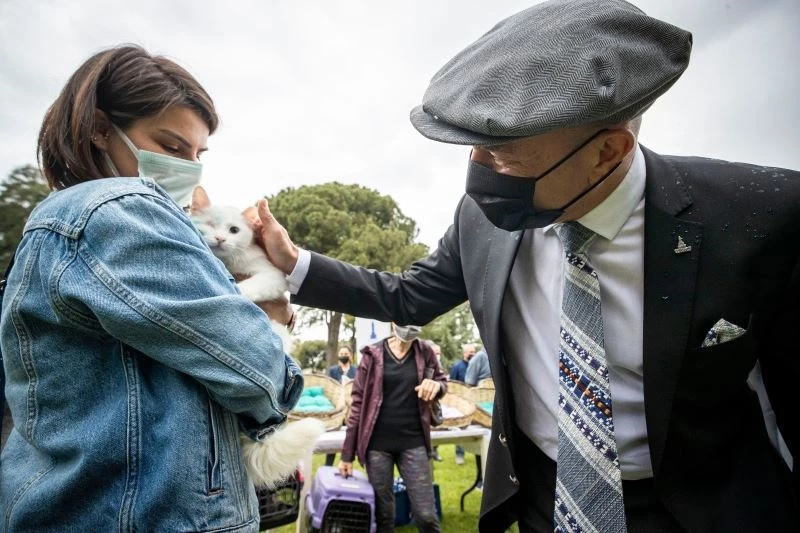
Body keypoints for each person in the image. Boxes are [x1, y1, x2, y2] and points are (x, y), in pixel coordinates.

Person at [256, 1, 799, 531]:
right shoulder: (482, 219)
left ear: (609, 150)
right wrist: (292, 263)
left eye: (503, 153)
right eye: (473, 148)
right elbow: (407, 297)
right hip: (545, 502)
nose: (478, 173)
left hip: (700, 508)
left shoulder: (763, 216)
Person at [0, 45, 302, 532]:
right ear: (100, 129)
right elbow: (259, 372)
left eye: (198, 153)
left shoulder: (55, 223)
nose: (188, 167)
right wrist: (277, 326)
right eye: (171, 146)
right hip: (147, 513)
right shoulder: (120, 208)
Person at [338, 324, 447, 533]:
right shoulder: (371, 354)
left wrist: (437, 387)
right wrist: (346, 455)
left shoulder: (425, 351)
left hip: (414, 441)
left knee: (426, 515)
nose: (408, 325)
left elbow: (442, 381)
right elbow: (358, 405)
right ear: (392, 322)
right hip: (377, 445)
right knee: (384, 515)